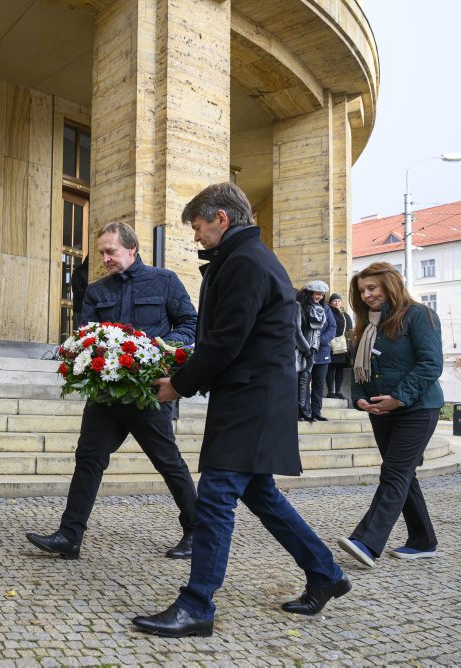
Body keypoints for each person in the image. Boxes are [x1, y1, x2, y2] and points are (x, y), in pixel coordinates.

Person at [137, 183, 349, 638]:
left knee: (214, 498)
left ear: (221, 219)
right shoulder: (243, 258)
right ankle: (326, 573)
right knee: (261, 495)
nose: (196, 238)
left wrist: (179, 384)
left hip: (251, 398)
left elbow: (227, 339)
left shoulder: (247, 262)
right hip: (252, 395)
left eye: (197, 227)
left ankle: (197, 605)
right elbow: (228, 336)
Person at [26, 221, 199, 561]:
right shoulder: (96, 291)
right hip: (105, 393)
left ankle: (196, 531)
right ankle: (69, 536)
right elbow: (83, 333)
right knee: (88, 458)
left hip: (147, 392)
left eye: (111, 251)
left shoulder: (165, 281)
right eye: (102, 252)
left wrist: (157, 347)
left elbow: (190, 324)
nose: (104, 258)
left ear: (132, 249)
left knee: (168, 462)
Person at [337, 262, 444, 568]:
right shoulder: (367, 325)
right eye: (362, 290)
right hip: (380, 410)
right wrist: (360, 399)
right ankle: (423, 541)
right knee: (403, 474)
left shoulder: (419, 315)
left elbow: (430, 364)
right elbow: (359, 369)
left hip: (417, 409)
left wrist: (398, 398)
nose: (367, 295)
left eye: (373, 288)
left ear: (390, 285)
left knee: (394, 473)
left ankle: (367, 543)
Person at [296, 282, 335, 421]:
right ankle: (304, 411)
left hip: (321, 351)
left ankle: (316, 412)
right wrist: (308, 347)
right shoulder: (300, 306)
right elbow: (298, 330)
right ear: (309, 293)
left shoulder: (325, 308)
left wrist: (318, 344)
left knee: (318, 383)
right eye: (317, 294)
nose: (319, 296)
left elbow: (332, 327)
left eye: (322, 294)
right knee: (304, 382)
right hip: (304, 350)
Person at [326, 293, 354, 399]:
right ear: (330, 303)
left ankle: (338, 391)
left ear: (341, 303)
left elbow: (350, 331)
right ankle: (330, 391)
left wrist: (351, 344)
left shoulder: (345, 315)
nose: (337, 303)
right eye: (334, 301)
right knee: (331, 367)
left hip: (342, 346)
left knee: (340, 368)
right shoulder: (328, 313)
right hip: (330, 344)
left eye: (338, 301)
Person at [70, 255, 89, 335]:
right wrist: (91, 294)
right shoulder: (78, 271)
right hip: (80, 308)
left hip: (92, 308)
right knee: (80, 334)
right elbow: (77, 291)